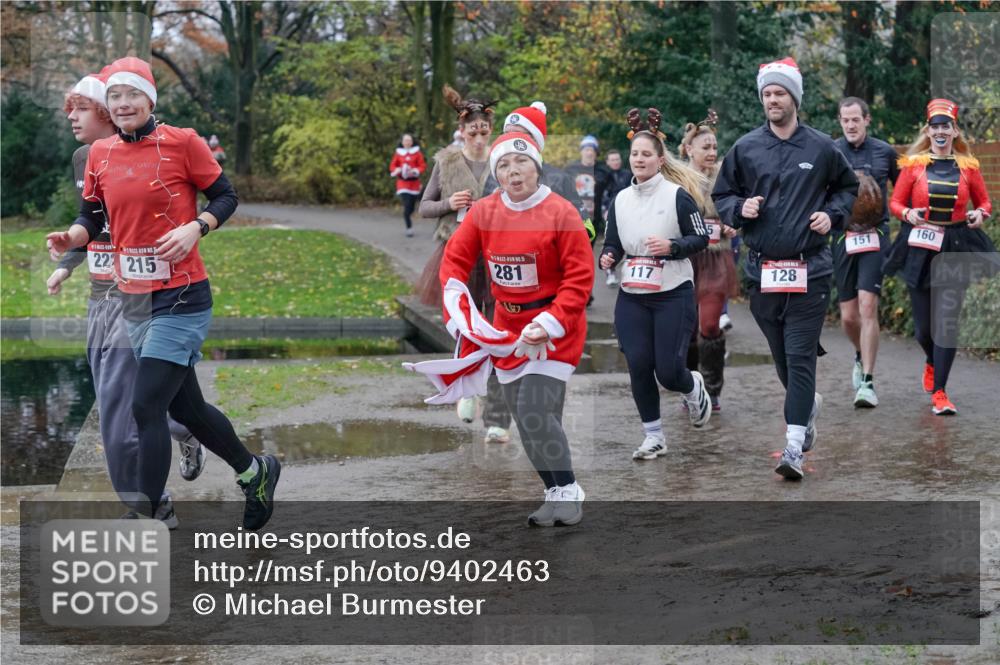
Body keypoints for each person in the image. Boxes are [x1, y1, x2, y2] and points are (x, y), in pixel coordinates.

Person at [45, 57, 280, 529]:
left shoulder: (182, 142)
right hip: (133, 298)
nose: (124, 103)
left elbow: (226, 196)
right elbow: (93, 216)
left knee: (145, 404)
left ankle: (150, 515)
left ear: (149, 99)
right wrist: (73, 238)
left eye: (133, 94)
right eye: (116, 96)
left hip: (181, 296)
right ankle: (255, 471)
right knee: (185, 407)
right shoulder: (101, 154)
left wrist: (198, 226)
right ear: (109, 105)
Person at [45, 71, 208, 528]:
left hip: (140, 297)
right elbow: (93, 219)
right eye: (70, 109)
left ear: (104, 111)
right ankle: (188, 428)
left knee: (118, 417)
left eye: (79, 108)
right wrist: (68, 260)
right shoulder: (87, 157)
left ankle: (150, 505)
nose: (72, 118)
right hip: (101, 295)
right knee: (145, 402)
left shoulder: (152, 150)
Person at [407, 131, 594, 526]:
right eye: (504, 165)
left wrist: (549, 323)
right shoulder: (485, 211)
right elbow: (454, 261)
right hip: (506, 330)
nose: (513, 172)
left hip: (554, 329)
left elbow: (579, 280)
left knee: (534, 410)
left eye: (521, 162)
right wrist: (461, 309)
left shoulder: (562, 213)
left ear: (537, 167)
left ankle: (569, 490)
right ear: (496, 174)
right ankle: (554, 491)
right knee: (524, 419)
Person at [712, 57, 858, 480]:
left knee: (798, 356)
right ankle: (806, 404)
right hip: (762, 272)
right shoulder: (746, 147)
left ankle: (793, 445)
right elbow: (723, 195)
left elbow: (848, 188)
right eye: (767, 94)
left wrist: (833, 215)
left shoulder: (821, 147)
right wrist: (741, 207)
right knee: (782, 359)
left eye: (780, 93)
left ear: (794, 98)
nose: (773, 100)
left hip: (810, 270)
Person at [600, 107, 712, 461]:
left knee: (668, 370)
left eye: (646, 154)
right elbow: (613, 242)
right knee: (637, 363)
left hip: (671, 293)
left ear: (660, 160)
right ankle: (653, 436)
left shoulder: (677, 195)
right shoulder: (620, 199)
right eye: (635, 154)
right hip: (632, 294)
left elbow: (701, 238)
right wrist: (609, 256)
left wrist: (672, 247)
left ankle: (693, 387)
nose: (639, 159)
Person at [415, 85, 512, 444]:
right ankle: (468, 389)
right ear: (461, 131)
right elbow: (424, 207)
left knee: (499, 326)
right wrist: (449, 203)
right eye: (471, 130)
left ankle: (499, 415)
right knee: (465, 326)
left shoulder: (504, 160)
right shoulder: (447, 162)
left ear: (490, 127)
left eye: (483, 129)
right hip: (456, 252)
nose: (477, 135)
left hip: (498, 254)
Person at [885, 98, 994, 415]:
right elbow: (895, 203)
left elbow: (984, 203)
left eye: (946, 126)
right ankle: (932, 361)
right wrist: (907, 213)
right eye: (936, 126)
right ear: (928, 130)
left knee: (947, 324)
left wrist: (980, 215)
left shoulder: (968, 167)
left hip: (956, 242)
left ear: (954, 130)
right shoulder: (913, 165)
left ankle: (941, 392)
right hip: (920, 244)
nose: (941, 131)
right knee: (923, 330)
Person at [832, 97, 900, 408]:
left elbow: (903, 192)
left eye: (855, 120)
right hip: (843, 238)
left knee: (868, 305)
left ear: (866, 120)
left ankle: (869, 383)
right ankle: (860, 354)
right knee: (848, 316)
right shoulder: (831, 152)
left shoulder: (885, 152)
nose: (850, 125)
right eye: (845, 120)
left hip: (875, 236)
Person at [679, 110, 739, 412]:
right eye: (706, 147)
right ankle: (691, 387)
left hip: (716, 259)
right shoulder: (676, 179)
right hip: (685, 260)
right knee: (687, 328)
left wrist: (732, 224)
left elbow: (737, 209)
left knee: (710, 324)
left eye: (715, 147)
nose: (712, 153)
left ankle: (712, 389)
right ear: (689, 149)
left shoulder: (724, 177)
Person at [596, 148, 632, 286]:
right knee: (611, 243)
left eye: (617, 159)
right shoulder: (603, 177)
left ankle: (629, 270)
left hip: (629, 212)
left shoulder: (628, 174)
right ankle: (610, 273)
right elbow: (601, 196)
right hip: (610, 212)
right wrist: (604, 211)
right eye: (612, 160)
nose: (615, 162)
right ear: (607, 162)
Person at [389, 133, 426, 237]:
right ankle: (409, 228)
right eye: (405, 140)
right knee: (406, 204)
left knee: (411, 207)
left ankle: (408, 214)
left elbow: (422, 165)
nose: (407, 142)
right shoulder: (398, 153)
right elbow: (392, 166)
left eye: (409, 140)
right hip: (402, 183)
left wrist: (415, 170)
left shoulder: (417, 153)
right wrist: (397, 169)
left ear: (412, 142)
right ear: (402, 142)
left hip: (414, 183)